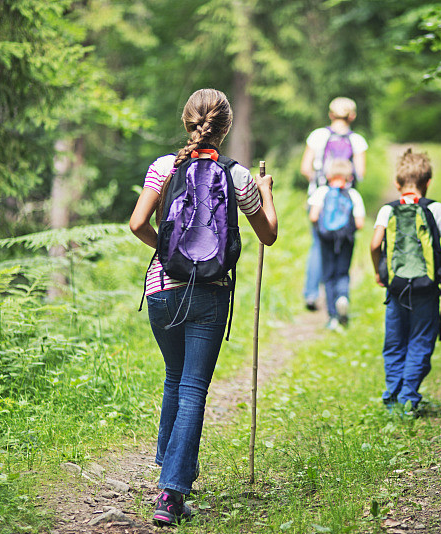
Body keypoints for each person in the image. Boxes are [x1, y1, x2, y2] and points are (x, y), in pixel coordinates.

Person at [129, 88, 278, 526]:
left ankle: (170, 466)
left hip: (162, 291)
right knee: (193, 388)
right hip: (209, 294)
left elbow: (137, 224)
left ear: (186, 121)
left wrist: (169, 253)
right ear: (225, 127)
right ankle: (172, 493)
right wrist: (266, 192)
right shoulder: (237, 176)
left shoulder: (162, 167)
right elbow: (267, 234)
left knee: (175, 377)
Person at [369, 149, 441, 414]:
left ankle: (392, 400)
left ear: (397, 184)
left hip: (396, 287)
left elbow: (374, 244)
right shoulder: (435, 208)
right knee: (420, 342)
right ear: (428, 183)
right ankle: (409, 399)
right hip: (427, 289)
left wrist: (379, 272)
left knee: (394, 343)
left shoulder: (387, 210)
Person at [300, 97, 368, 311]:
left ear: (330, 114)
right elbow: (361, 173)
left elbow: (305, 167)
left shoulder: (318, 135)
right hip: (346, 202)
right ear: (352, 116)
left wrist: (320, 185)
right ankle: (341, 291)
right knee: (344, 246)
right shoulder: (357, 140)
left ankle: (312, 295)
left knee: (317, 245)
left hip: (319, 198)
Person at [308, 158, 365, 330]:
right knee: (343, 273)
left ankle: (333, 316)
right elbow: (360, 223)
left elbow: (313, 216)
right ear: (349, 177)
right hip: (346, 241)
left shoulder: (321, 192)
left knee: (328, 275)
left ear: (328, 175)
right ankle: (343, 298)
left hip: (326, 241)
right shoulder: (353, 195)